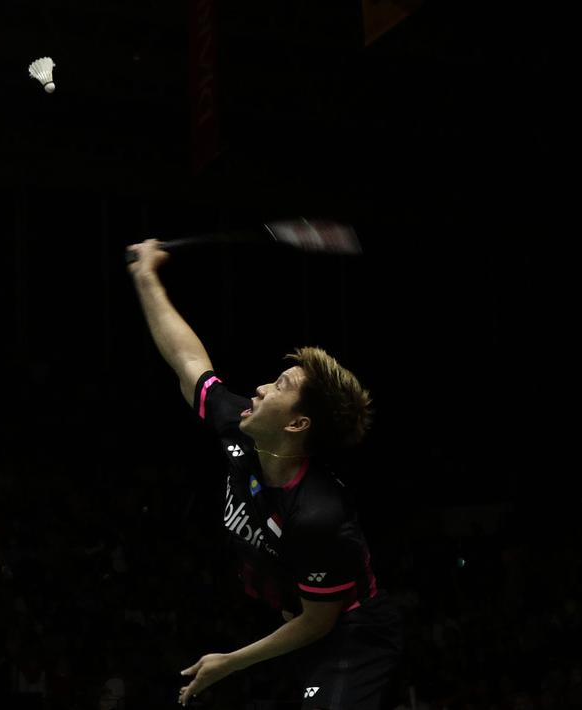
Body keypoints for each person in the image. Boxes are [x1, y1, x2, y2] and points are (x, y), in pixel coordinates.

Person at [126, 239, 401, 710]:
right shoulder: (242, 430)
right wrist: (146, 275)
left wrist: (228, 662)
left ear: (297, 425)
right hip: (294, 619)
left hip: (351, 636)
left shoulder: (318, 514)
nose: (260, 387)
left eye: (281, 386)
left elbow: (319, 621)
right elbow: (187, 360)